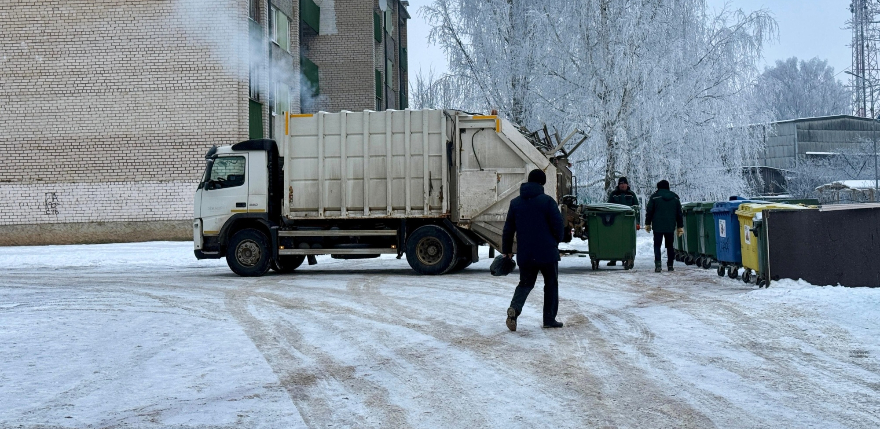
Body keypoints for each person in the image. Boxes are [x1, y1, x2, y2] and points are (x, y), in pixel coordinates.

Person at [502, 169, 565, 331]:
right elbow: (558, 226)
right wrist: (555, 241)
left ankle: (514, 311)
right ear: (542, 183)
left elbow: (508, 229)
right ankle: (549, 319)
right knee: (551, 284)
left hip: (526, 253)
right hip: (547, 252)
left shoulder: (515, 203)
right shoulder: (548, 202)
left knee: (525, 283)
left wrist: (507, 250)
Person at [644, 180, 684, 273]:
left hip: (657, 226)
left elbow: (649, 211)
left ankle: (658, 265)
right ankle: (670, 265)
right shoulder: (675, 197)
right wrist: (680, 226)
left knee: (657, 245)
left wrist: (647, 223)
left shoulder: (654, 197)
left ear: (658, 187)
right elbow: (679, 213)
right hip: (670, 225)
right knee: (670, 246)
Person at [606, 176, 640, 266]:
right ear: (618, 185)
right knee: (614, 240)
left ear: (627, 184)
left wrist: (637, 223)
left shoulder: (631, 195)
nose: (622, 185)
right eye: (621, 183)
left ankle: (626, 258)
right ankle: (613, 259)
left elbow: (636, 209)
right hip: (615, 222)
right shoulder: (613, 194)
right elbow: (608, 207)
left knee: (627, 241)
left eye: (624, 183)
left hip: (628, 223)